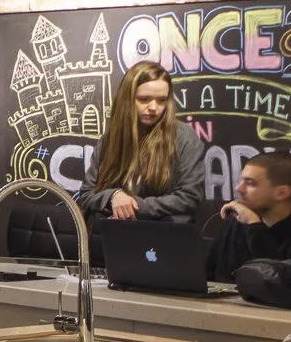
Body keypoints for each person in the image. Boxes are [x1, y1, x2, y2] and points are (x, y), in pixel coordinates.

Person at [80, 60, 203, 222]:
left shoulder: (184, 137)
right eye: (144, 99)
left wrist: (133, 205)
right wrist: (113, 196)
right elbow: (87, 194)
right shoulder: (110, 140)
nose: (153, 107)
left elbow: (189, 197)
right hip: (112, 238)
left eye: (161, 100)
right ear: (127, 99)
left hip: (164, 237)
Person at [207, 150, 291, 280]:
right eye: (241, 180)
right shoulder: (235, 224)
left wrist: (254, 225)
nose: (239, 188)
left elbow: (277, 281)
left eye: (250, 183)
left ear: (282, 193)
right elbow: (208, 276)